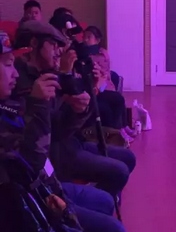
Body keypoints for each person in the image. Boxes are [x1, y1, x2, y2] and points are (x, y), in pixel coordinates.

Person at [0, 30, 140, 232]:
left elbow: (60, 131)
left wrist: (79, 109)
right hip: (23, 207)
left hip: (43, 187)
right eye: (7, 65)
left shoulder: (8, 102)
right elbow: (31, 162)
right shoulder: (22, 94)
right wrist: (39, 104)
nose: (14, 72)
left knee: (103, 202)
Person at [15, 20, 136, 197]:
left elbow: (77, 110)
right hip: (56, 153)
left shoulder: (47, 71)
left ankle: (100, 201)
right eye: (53, 45)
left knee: (128, 157)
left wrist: (91, 87)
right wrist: (64, 75)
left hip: (72, 142)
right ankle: (92, 203)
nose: (58, 51)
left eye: (60, 46)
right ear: (34, 43)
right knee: (119, 171)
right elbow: (55, 127)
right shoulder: (21, 79)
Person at [83, 25, 135, 138]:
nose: (85, 40)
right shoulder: (83, 54)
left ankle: (123, 127)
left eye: (89, 37)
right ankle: (119, 130)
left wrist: (99, 70)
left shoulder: (102, 54)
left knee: (118, 98)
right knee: (117, 99)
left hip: (104, 85)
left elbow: (105, 74)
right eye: (84, 37)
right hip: (94, 87)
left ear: (97, 40)